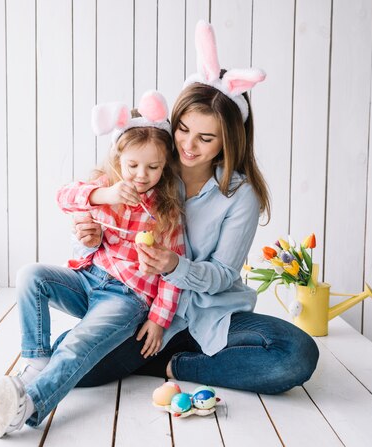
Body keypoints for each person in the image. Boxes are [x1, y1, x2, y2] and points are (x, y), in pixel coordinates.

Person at [70, 20, 319, 393]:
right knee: (73, 365)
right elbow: (106, 234)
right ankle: (152, 354)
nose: (187, 145)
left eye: (205, 138)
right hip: (146, 311)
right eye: (183, 129)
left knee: (295, 354)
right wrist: (90, 237)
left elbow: (221, 274)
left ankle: (175, 367)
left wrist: (175, 266)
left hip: (212, 317)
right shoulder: (148, 166)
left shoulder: (240, 195)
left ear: (229, 140)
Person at [0, 90, 185, 438]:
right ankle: (36, 361)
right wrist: (101, 195)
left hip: (127, 298)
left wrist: (158, 319)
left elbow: (172, 274)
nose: (141, 175)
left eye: (153, 167)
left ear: (165, 165)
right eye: (132, 166)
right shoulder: (107, 187)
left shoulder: (166, 211)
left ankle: (29, 405)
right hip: (88, 280)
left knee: (78, 344)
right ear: (118, 158)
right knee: (30, 275)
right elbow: (64, 196)